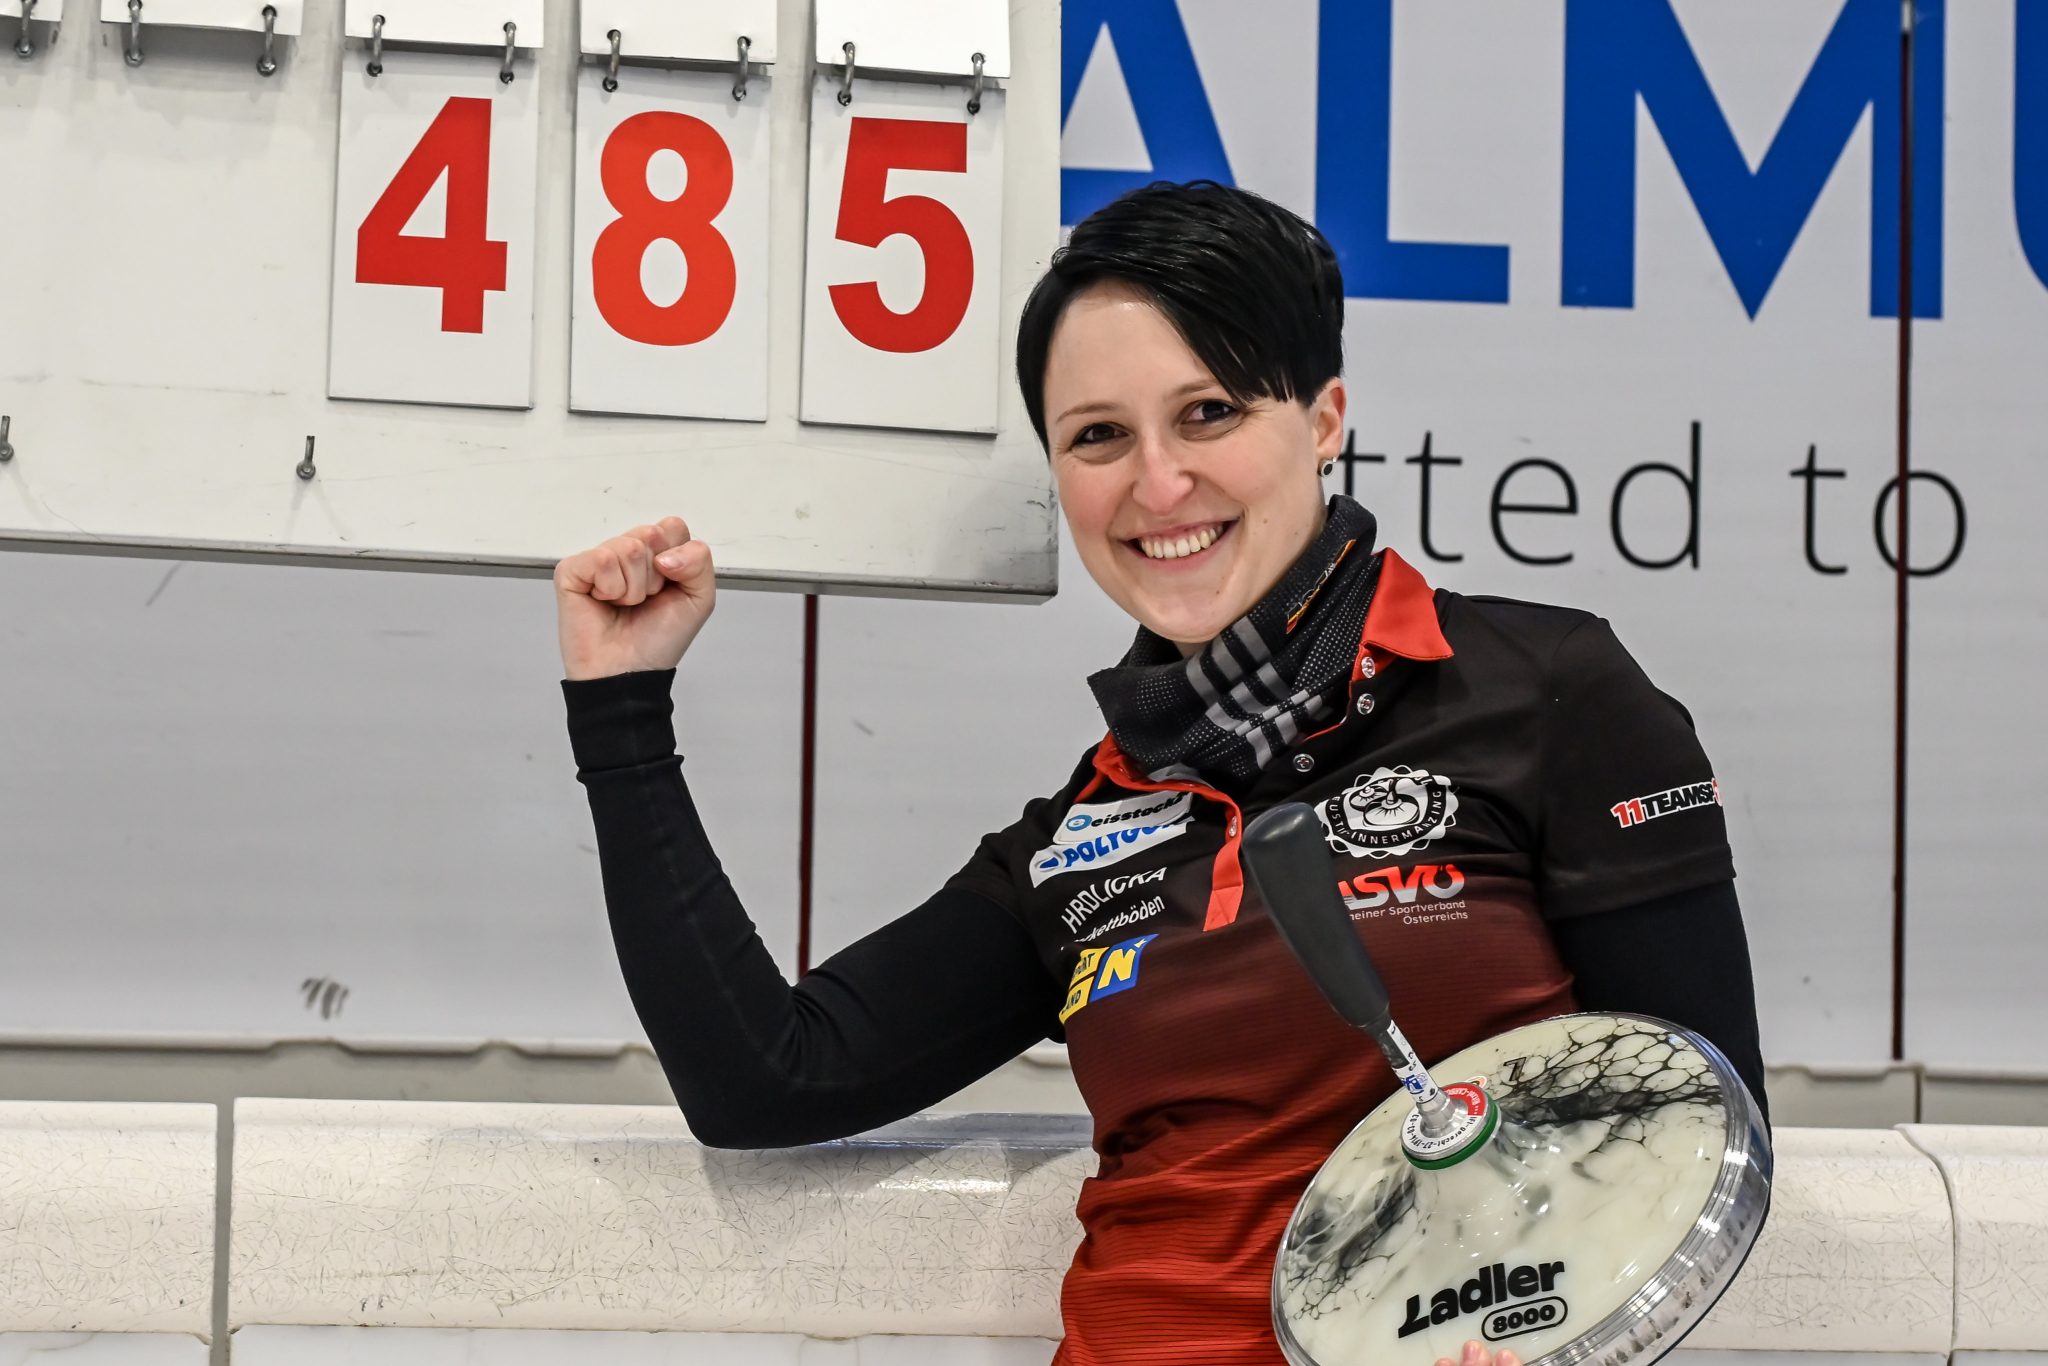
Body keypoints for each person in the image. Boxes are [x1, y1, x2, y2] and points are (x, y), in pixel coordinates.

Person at [552, 181, 1768, 1366]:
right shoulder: (1084, 827)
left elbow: (1699, 1125)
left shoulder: (1544, 689)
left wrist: (1546, 1333)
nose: (1157, 483)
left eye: (1208, 413)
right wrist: (621, 709)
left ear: (1323, 417)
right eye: (1097, 437)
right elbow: (763, 1081)